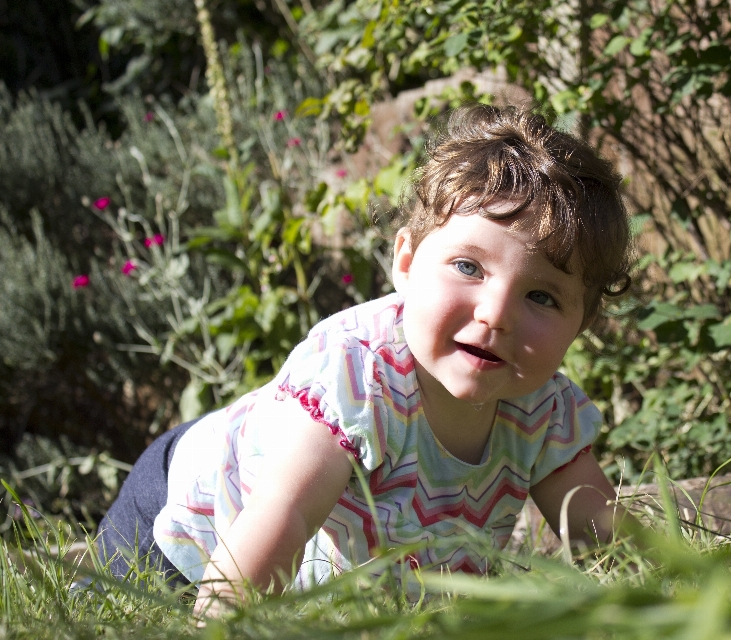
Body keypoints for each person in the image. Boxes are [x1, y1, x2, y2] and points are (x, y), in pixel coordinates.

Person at [96, 104, 634, 617]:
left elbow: (606, 535)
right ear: (405, 261)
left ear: (581, 324)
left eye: (542, 297)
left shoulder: (542, 408)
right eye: (469, 267)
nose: (497, 315)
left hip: (347, 576)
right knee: (114, 608)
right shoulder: (356, 377)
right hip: (194, 518)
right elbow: (283, 515)